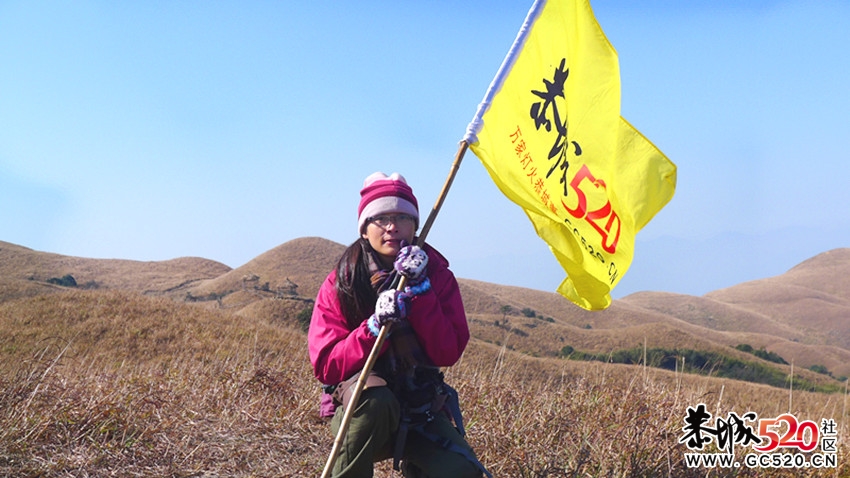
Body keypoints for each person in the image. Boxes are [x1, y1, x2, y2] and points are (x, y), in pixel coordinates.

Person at [308, 172, 487, 478]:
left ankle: (417, 464)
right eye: (380, 218)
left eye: (403, 216)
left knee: (462, 470)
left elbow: (448, 351)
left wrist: (421, 294)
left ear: (416, 225)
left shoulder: (437, 276)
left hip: (421, 407)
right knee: (374, 399)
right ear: (365, 229)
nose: (392, 226)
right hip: (365, 413)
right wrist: (372, 328)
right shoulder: (344, 281)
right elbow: (326, 365)